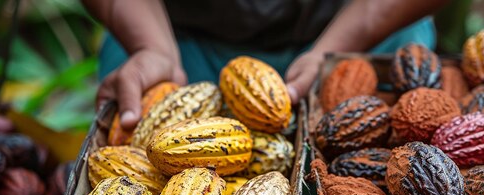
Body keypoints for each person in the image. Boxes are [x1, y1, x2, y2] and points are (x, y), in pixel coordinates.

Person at [82, 0, 450, 128]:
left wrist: (335, 49)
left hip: (366, 24)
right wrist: (150, 45)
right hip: (171, 35)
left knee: (346, 189)